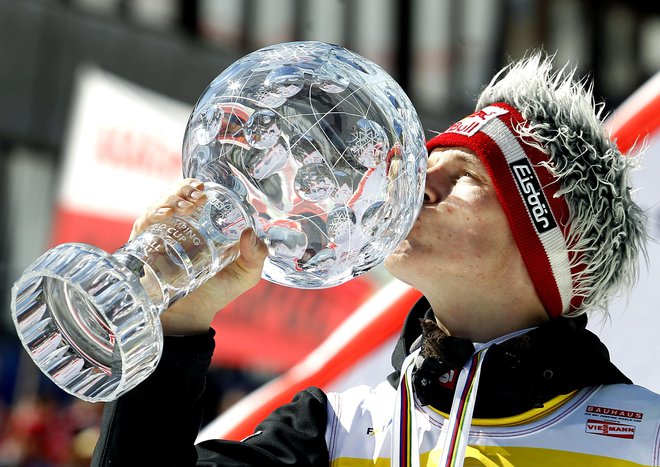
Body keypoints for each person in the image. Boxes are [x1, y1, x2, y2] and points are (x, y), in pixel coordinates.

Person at [91, 51, 660, 466]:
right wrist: (175, 327)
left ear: (547, 244)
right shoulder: (335, 431)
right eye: (423, 165)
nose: (415, 187)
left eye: (463, 177)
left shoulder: (643, 438)